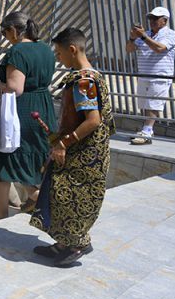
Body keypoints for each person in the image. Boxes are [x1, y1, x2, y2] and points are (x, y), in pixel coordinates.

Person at [30, 28, 115, 267]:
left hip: (84, 155)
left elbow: (93, 119)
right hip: (87, 151)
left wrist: (63, 143)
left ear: (72, 50)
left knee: (70, 197)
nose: (58, 58)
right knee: (62, 194)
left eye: (59, 53)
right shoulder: (92, 75)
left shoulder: (84, 81)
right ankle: (63, 242)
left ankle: (76, 244)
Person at [0, 11, 57, 220]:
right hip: (43, 109)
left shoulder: (17, 52)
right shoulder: (46, 49)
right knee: (30, 160)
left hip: (20, 112)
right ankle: (37, 203)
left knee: (2, 162)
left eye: (5, 32)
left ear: (13, 30)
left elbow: (15, 88)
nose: (6, 37)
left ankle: (3, 215)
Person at [126, 7, 175, 145]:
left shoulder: (170, 34)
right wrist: (132, 37)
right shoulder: (147, 34)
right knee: (145, 104)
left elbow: (159, 48)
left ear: (165, 20)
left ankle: (147, 131)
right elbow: (129, 49)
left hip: (160, 76)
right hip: (144, 75)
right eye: (151, 18)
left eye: (156, 18)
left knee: (153, 104)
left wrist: (143, 36)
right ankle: (146, 130)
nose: (152, 21)